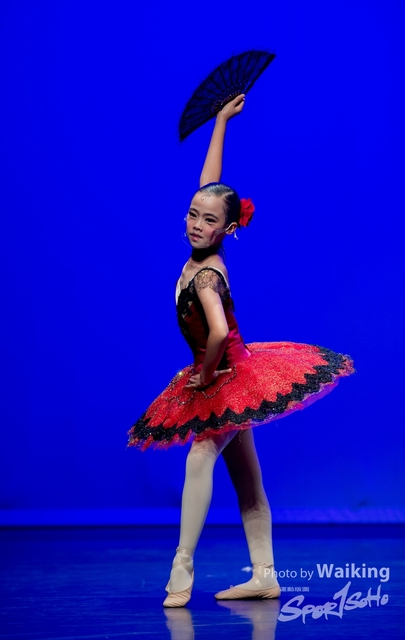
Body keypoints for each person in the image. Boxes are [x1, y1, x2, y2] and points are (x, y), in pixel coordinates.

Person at [127, 94, 355, 607]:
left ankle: (182, 566)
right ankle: (265, 575)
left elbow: (215, 333)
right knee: (247, 478)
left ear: (227, 230)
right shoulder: (205, 241)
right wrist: (220, 123)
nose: (195, 223)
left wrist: (206, 374)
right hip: (236, 376)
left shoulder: (207, 275)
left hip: (230, 375)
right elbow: (210, 184)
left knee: (200, 457)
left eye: (207, 220)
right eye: (192, 213)